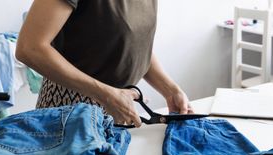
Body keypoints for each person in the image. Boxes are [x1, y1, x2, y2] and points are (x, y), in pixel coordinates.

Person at [16, 0, 193, 128]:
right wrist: (106, 95)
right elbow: (29, 48)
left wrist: (170, 90)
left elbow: (134, 44)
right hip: (71, 107)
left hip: (119, 106)